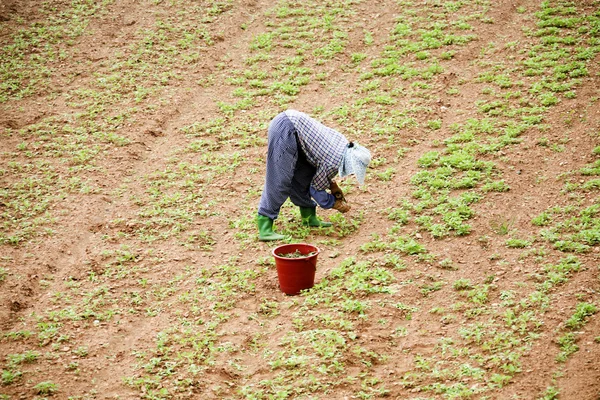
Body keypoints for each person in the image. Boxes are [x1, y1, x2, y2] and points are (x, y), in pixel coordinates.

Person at [257, 109, 371, 241]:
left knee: (304, 175)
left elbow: (320, 164)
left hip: (295, 130)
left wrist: (333, 186)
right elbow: (316, 189)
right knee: (280, 179)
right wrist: (334, 203)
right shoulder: (334, 162)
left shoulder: (343, 145)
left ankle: (308, 217)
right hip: (286, 129)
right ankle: (265, 226)